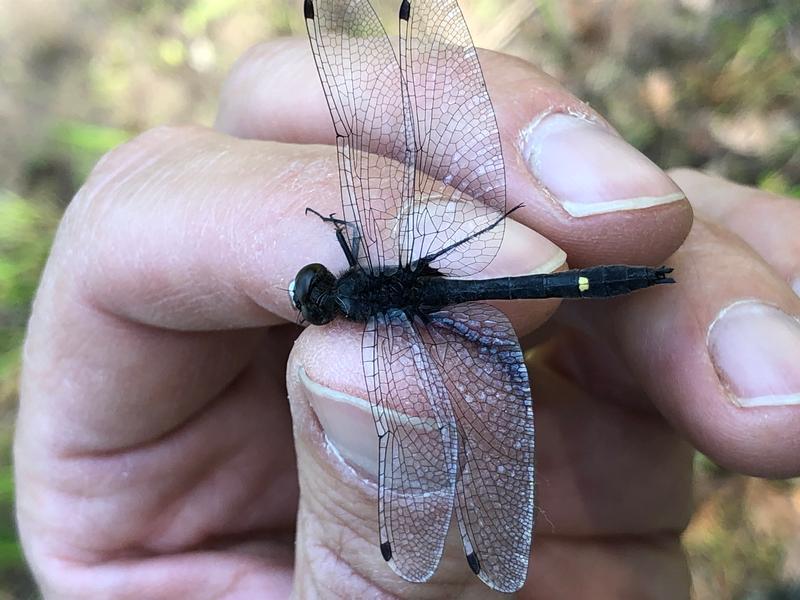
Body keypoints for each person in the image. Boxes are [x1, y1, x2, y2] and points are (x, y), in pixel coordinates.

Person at [14, 39, 800, 599]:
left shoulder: (368, 319)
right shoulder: (369, 283)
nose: (312, 301)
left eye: (314, 295)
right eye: (316, 299)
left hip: (482, 287)